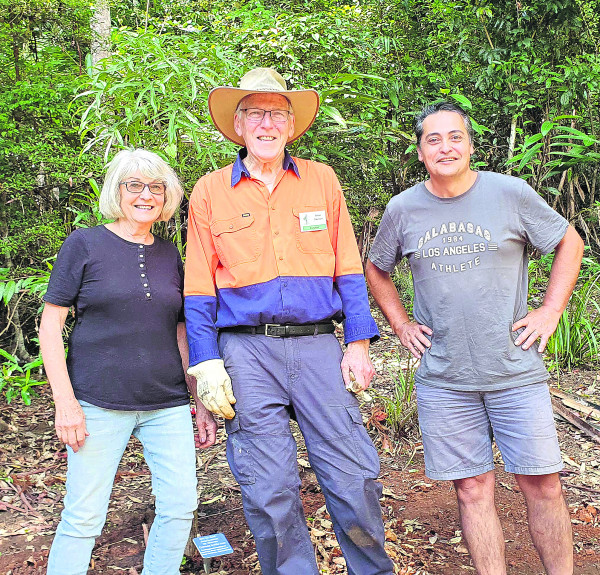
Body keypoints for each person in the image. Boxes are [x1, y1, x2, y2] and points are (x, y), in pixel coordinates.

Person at [184, 68, 393, 575]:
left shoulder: (321, 180)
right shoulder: (210, 191)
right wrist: (205, 362)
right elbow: (198, 287)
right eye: (255, 113)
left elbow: (348, 265)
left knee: (352, 473)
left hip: (318, 344)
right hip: (245, 352)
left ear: (291, 125)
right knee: (268, 484)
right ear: (238, 125)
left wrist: (359, 342)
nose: (266, 124)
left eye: (277, 113)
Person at [366, 101, 584, 575]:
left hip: (515, 370)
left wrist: (550, 309)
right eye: (433, 139)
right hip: (445, 379)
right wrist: (400, 323)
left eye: (455, 137)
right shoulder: (403, 209)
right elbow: (376, 267)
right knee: (471, 488)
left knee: (543, 484)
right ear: (420, 152)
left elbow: (570, 241)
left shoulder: (510, 193)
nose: (445, 147)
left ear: (470, 145)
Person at [39, 149, 217, 575]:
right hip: (97, 403)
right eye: (134, 185)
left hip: (166, 404)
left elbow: (180, 331)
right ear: (116, 192)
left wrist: (199, 402)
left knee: (179, 505)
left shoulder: (170, 253)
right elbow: (50, 327)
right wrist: (65, 403)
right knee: (83, 516)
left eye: (156, 187)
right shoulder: (84, 244)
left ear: (167, 197)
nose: (146, 195)